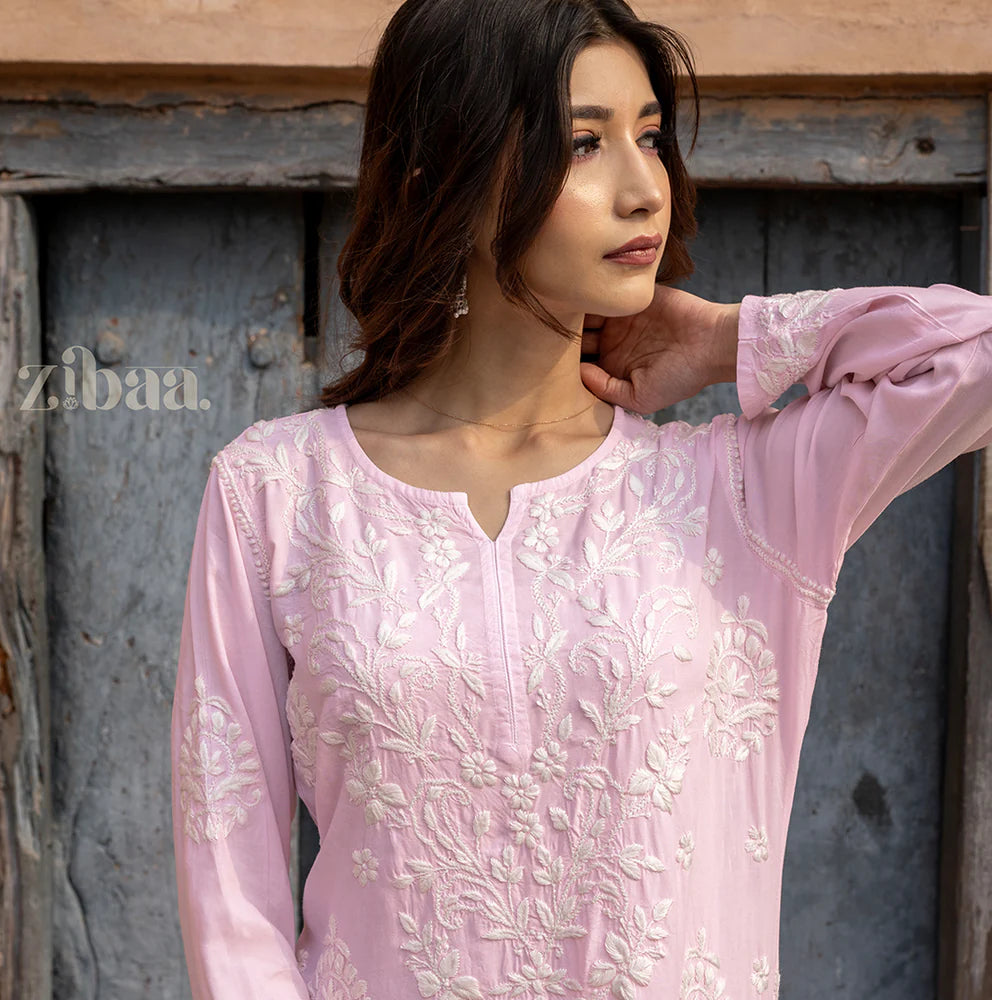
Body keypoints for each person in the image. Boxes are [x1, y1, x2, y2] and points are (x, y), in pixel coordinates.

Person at [169, 0, 992, 997]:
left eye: (650, 138)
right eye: (585, 144)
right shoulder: (278, 494)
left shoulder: (741, 494)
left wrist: (736, 339)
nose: (645, 188)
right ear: (450, 175)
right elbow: (232, 898)